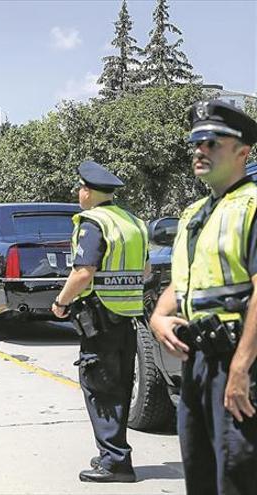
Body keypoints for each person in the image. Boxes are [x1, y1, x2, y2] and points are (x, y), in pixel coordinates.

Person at [149, 100, 257, 494]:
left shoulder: (252, 206)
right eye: (195, 141)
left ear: (242, 151)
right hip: (198, 364)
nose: (200, 149)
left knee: (238, 474)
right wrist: (159, 318)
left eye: (212, 141)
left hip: (241, 361)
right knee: (199, 472)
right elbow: (181, 284)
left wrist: (241, 371)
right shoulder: (195, 213)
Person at [51, 161, 149, 483]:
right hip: (129, 317)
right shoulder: (134, 222)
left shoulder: (93, 223)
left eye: (81, 188)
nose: (79, 193)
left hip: (100, 318)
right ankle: (114, 453)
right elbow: (146, 272)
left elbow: (83, 271)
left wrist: (61, 302)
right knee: (119, 386)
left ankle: (115, 462)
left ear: (88, 192)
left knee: (99, 387)